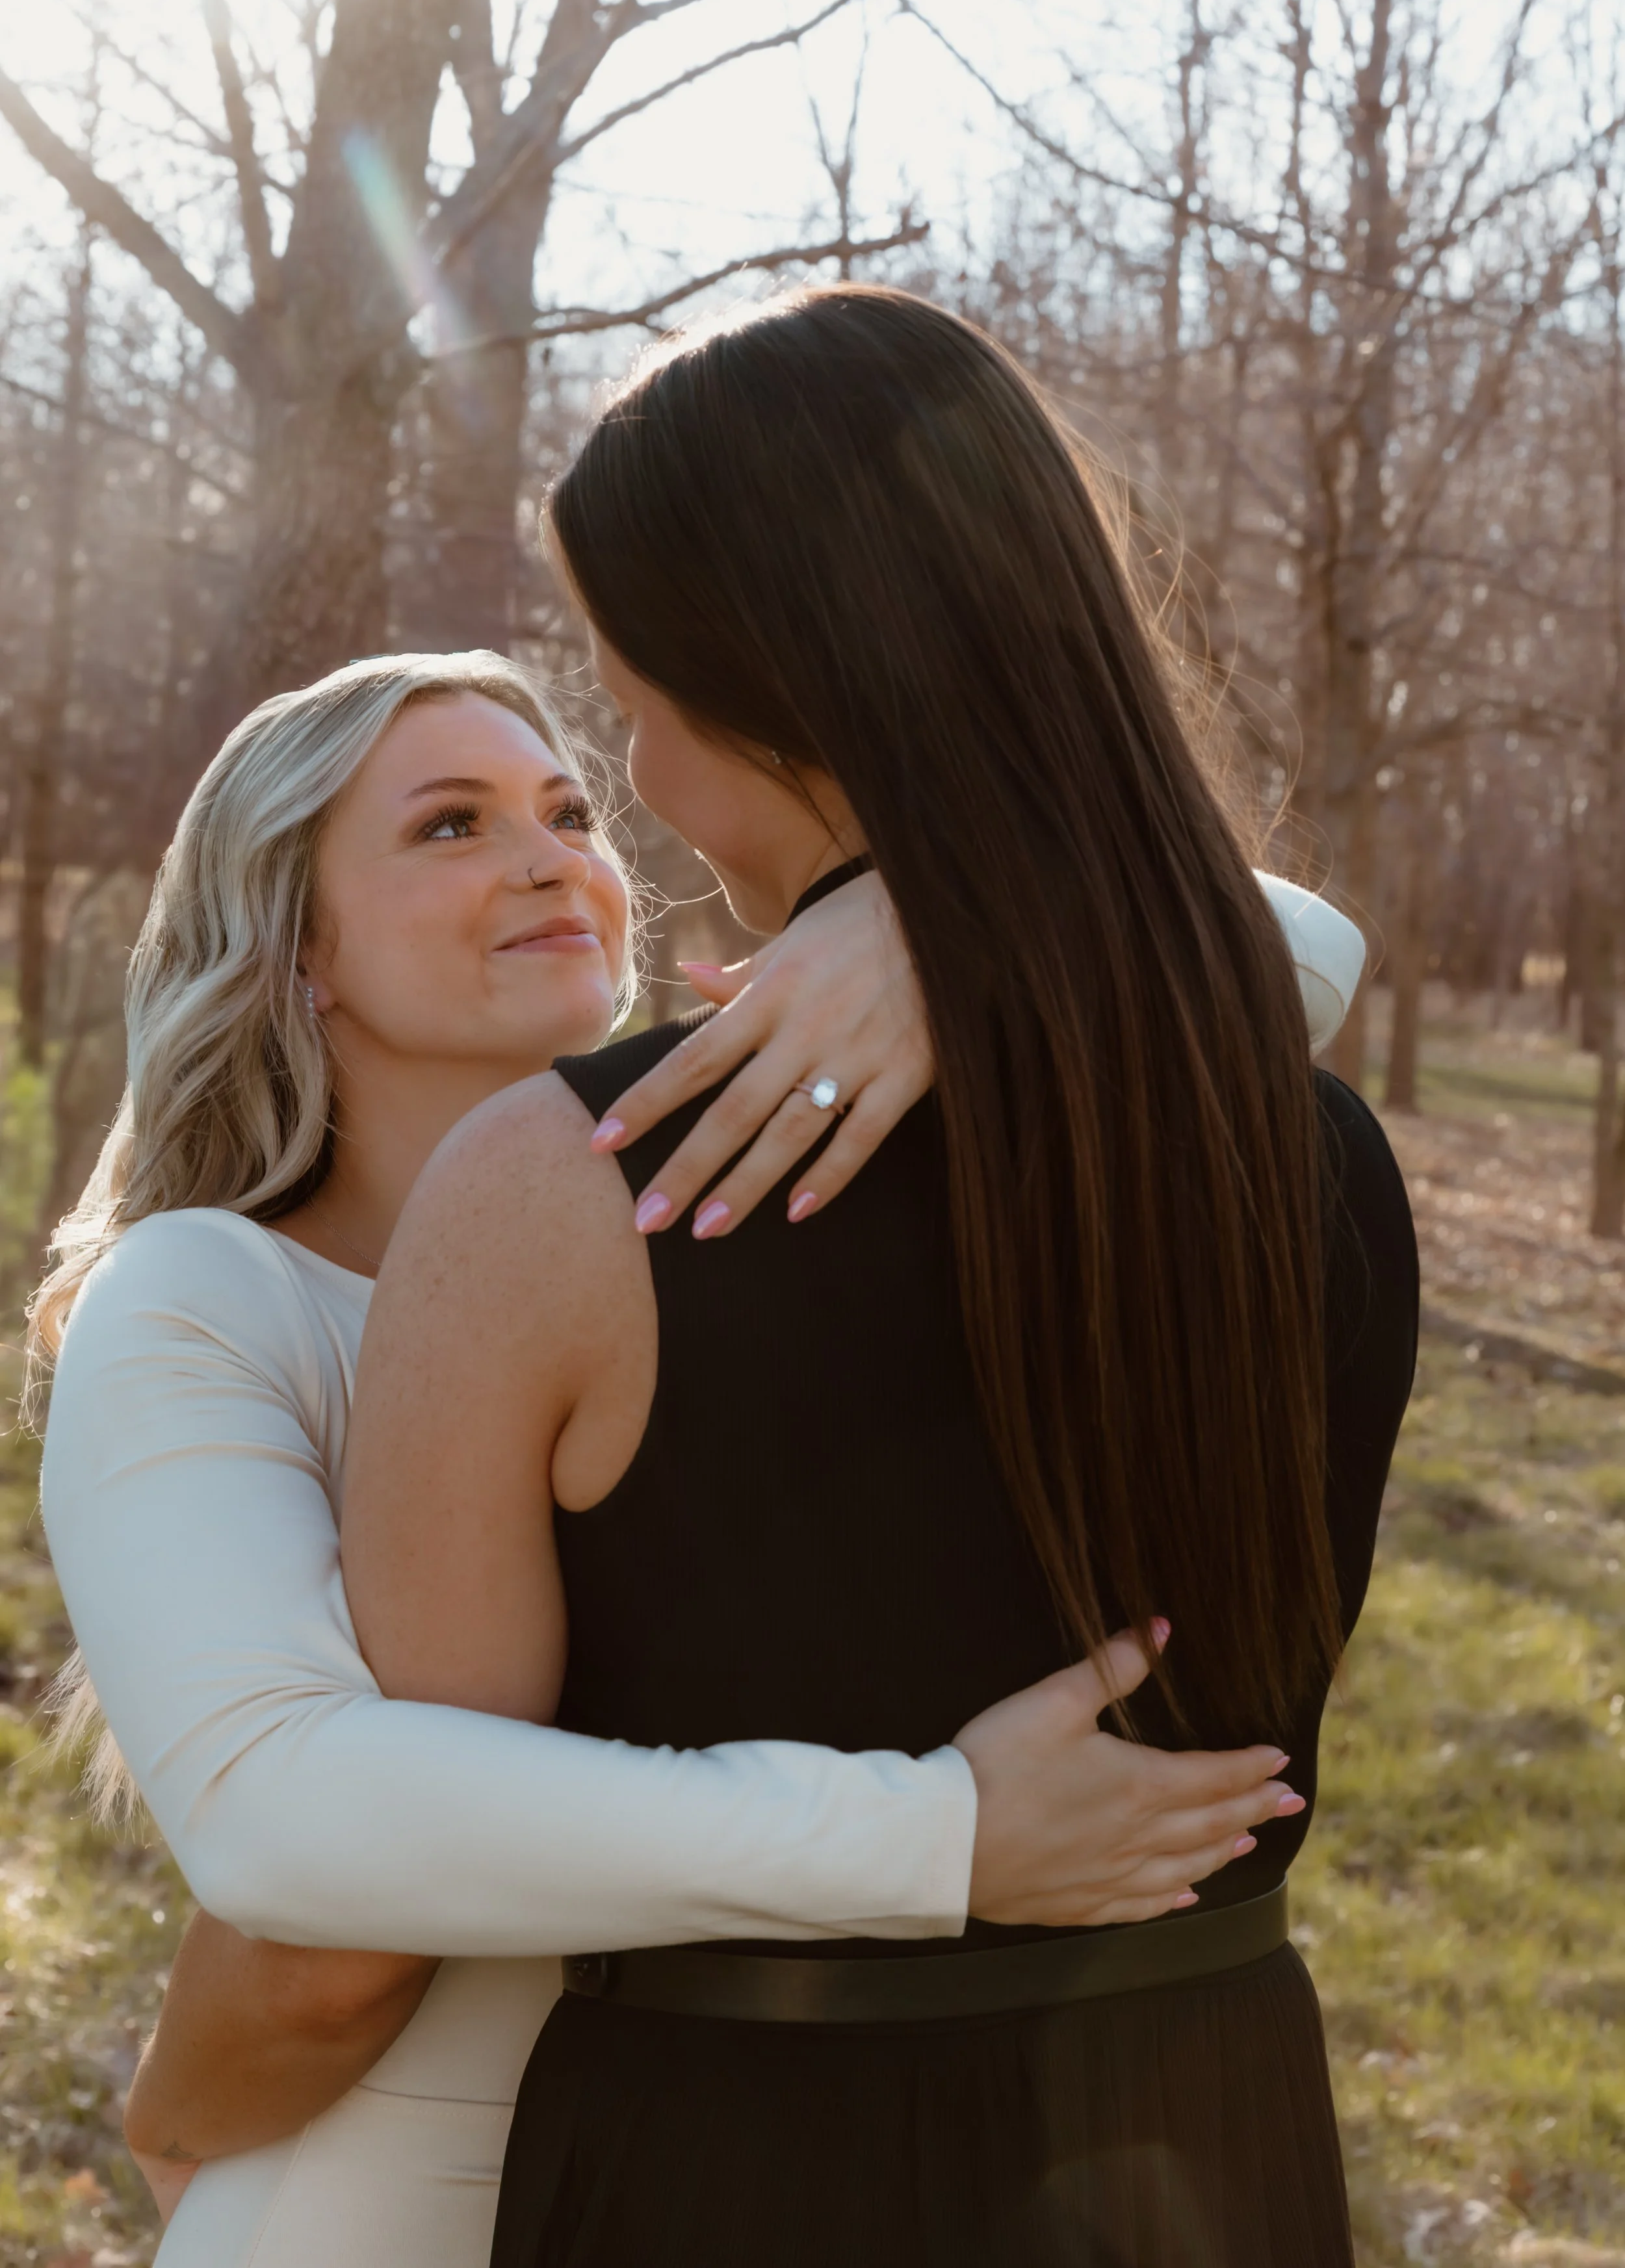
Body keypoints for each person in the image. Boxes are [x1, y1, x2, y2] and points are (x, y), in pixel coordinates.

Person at [328, 288, 1420, 2267]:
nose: (634, 771)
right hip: (1215, 2137)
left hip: (740, 2170)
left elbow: (410, 1836)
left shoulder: (559, 1191)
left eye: (630, 692)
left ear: (774, 683)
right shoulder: (1325, 1154)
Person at [36, 649, 1329, 2268]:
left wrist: (925, 915)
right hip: (403, 2191)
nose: (549, 856)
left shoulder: (709, 1194)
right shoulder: (203, 1293)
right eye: (450, 826)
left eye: (568, 809)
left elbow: (1303, 961)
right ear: (298, 947)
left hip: (734, 2153)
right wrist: (934, 1834)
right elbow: (292, 1836)